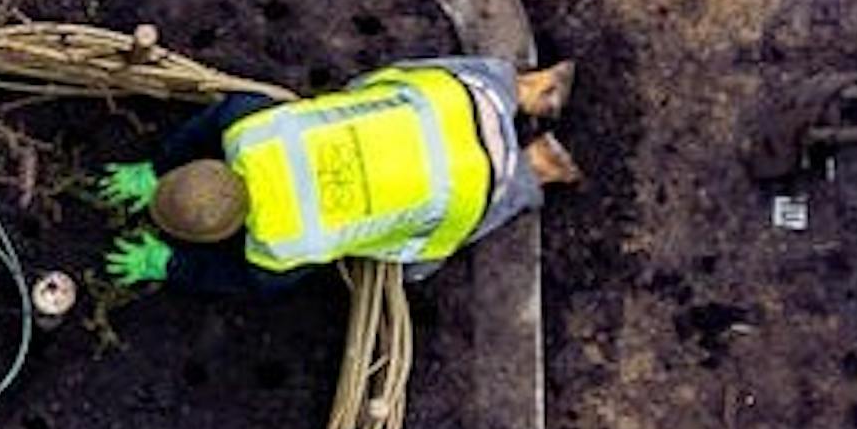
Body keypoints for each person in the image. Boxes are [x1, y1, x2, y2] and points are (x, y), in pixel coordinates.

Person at [90, 59, 579, 296]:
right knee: (431, 86)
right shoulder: (251, 130)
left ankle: (538, 166)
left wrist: (168, 265)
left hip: (474, 188)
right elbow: (209, 122)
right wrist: (158, 172)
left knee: (416, 263)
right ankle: (528, 89)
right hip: (454, 103)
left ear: (227, 233)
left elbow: (245, 281)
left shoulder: (279, 245)